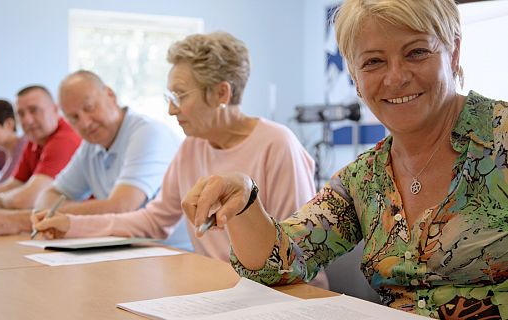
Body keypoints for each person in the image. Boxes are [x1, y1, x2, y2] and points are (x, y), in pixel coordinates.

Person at [180, 1, 508, 318]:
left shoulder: (501, 137)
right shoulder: (364, 178)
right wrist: (245, 197)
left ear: (454, 53)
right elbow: (281, 263)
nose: (395, 77)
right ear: (354, 77)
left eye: (416, 52)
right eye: (373, 62)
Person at [32, 32, 329, 289]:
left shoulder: (277, 145)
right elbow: (154, 220)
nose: (172, 110)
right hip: (218, 286)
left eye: (180, 96)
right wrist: (71, 224)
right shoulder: (191, 147)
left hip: (280, 294)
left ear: (221, 93)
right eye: (169, 97)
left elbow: (297, 252)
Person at [0, 70, 181, 240]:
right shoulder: (90, 145)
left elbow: (122, 206)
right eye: (73, 117)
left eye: (90, 108)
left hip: (169, 255)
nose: (84, 122)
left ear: (110, 95)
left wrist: (30, 219)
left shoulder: (147, 133)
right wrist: (49, 215)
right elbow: (49, 196)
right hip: (124, 249)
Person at [0, 86, 81, 239]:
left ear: (55, 110)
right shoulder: (33, 140)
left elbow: (29, 198)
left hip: (76, 228)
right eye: (21, 114)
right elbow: (15, 183)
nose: (27, 120)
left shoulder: (64, 139)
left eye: (34, 110)